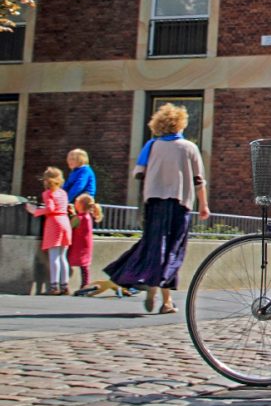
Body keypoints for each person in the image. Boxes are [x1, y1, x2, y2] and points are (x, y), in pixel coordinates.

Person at [104, 103, 210, 314]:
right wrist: (204, 205)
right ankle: (165, 299)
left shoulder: (151, 146)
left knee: (154, 247)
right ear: (180, 124)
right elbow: (199, 180)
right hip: (180, 204)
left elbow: (138, 173)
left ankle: (156, 290)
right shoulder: (189, 148)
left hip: (154, 203)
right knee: (174, 249)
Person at [25, 167, 73, 295]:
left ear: (46, 180)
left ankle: (54, 286)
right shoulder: (63, 193)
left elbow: (50, 208)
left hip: (54, 223)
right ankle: (65, 285)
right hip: (65, 222)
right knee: (63, 257)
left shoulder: (47, 193)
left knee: (54, 256)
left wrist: (35, 211)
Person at [68, 193, 102, 292]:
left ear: (80, 205)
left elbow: (70, 226)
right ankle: (85, 284)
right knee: (84, 266)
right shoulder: (88, 217)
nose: (75, 204)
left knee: (66, 262)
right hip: (86, 245)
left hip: (77, 245)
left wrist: (71, 214)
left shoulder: (78, 218)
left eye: (76, 202)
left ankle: (64, 284)